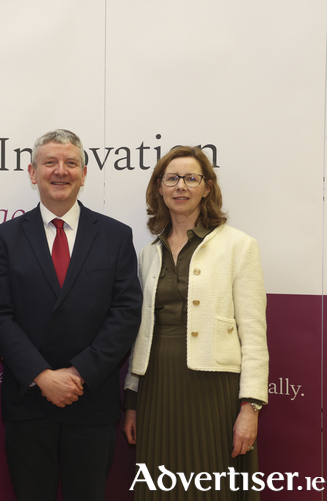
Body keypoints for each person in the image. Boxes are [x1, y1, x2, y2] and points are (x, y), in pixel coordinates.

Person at [0, 129, 143, 501]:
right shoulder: (7, 236)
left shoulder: (115, 236)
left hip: (90, 403)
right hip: (30, 406)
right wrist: (42, 376)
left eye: (71, 163)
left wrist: (78, 374)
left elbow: (125, 314)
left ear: (85, 173)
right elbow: (0, 315)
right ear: (32, 172)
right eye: (50, 163)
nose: (61, 171)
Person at [123, 146, 269, 500]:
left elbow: (253, 334)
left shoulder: (239, 246)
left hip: (213, 391)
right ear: (159, 187)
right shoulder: (149, 252)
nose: (181, 186)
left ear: (207, 187)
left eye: (191, 178)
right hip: (156, 386)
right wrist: (132, 399)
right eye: (171, 178)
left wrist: (250, 407)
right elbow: (141, 333)